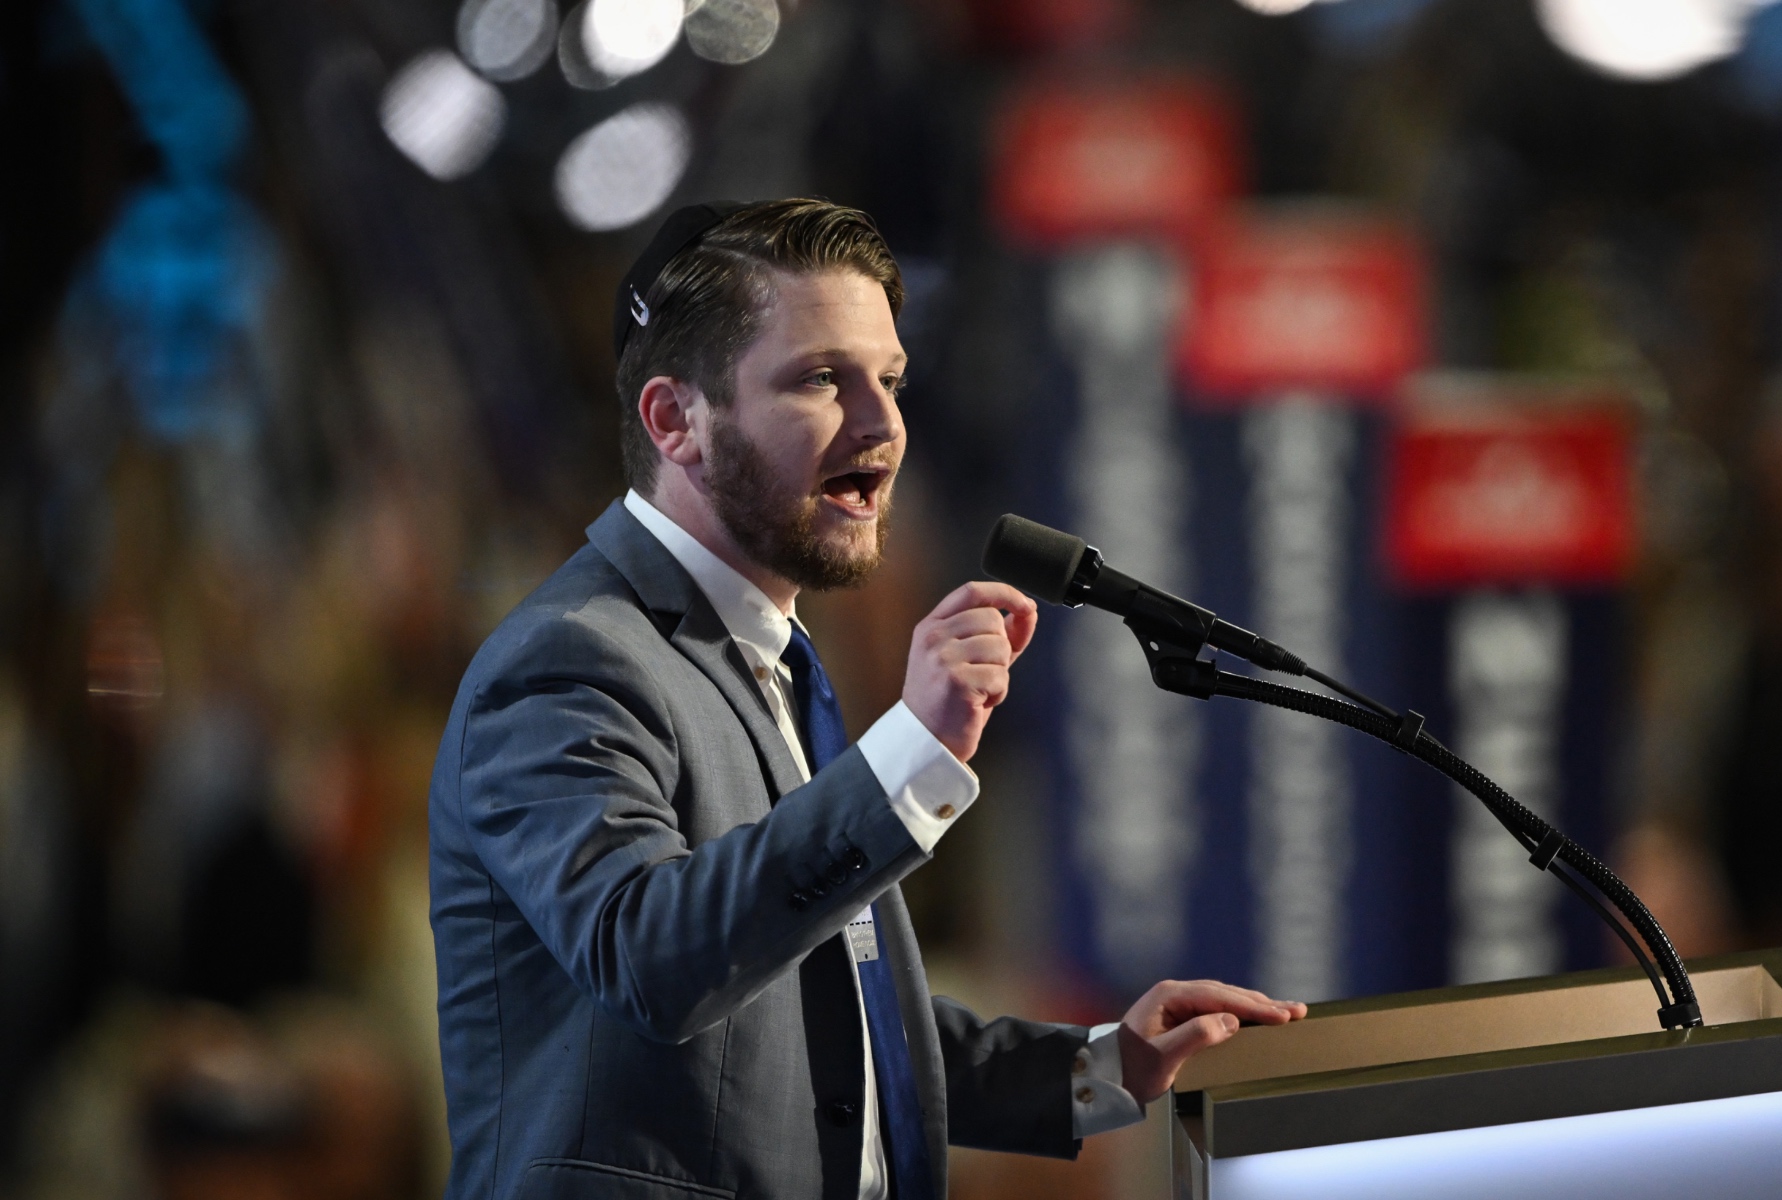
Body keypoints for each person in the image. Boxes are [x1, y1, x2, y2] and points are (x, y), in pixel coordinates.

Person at [427, 198, 1306, 1200]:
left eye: (888, 379)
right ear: (676, 421)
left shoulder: (767, 659)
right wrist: (907, 756)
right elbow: (651, 957)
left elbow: (821, 1011)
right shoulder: (569, 662)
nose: (884, 424)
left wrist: (1102, 1068)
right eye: (819, 379)